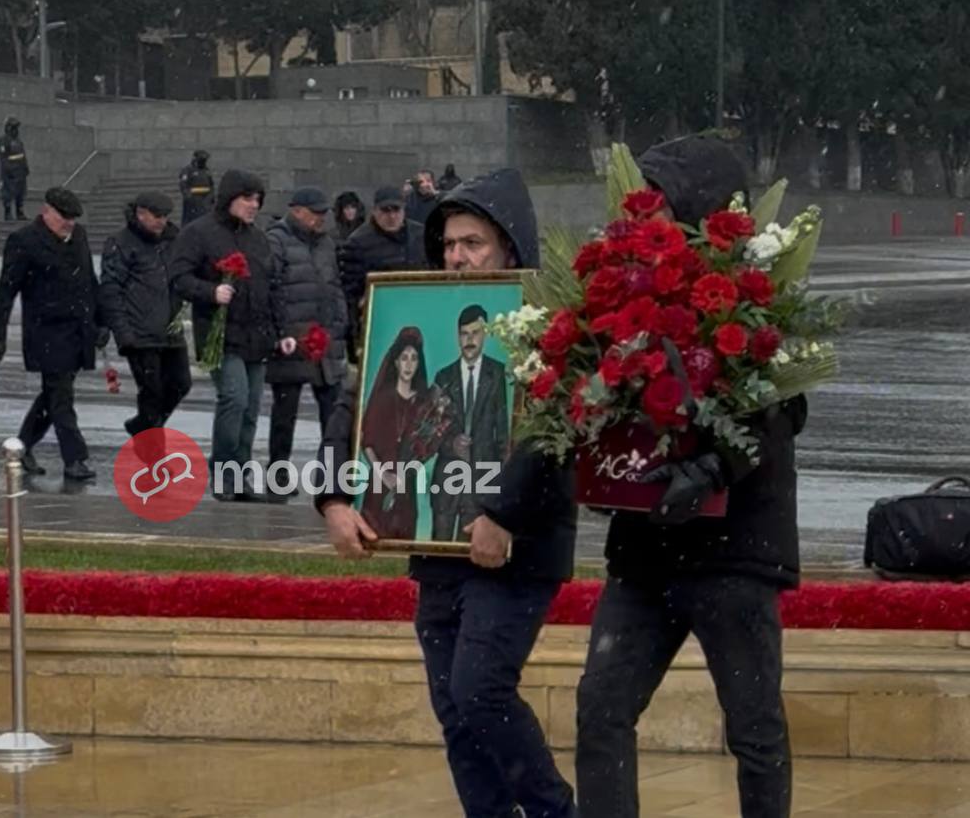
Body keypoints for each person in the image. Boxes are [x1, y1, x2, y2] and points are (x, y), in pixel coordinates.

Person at [319, 168, 579, 818]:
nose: (456, 257)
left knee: (481, 689)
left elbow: (554, 440)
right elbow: (352, 410)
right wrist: (334, 498)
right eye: (449, 245)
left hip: (514, 550)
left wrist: (500, 512)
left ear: (510, 248)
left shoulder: (550, 327)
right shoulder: (412, 319)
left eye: (472, 243)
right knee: (456, 712)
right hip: (436, 543)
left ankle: (555, 812)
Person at [575, 134, 804, 818]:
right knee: (601, 709)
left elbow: (782, 401)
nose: (648, 217)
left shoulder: (756, 287)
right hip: (646, 546)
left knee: (753, 727)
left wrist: (711, 466)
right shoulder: (625, 281)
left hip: (734, 550)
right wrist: (600, 459)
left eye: (662, 201)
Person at [168, 169, 284, 502]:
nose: (254, 205)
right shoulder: (199, 234)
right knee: (234, 397)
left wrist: (279, 331)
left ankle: (240, 474)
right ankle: (223, 473)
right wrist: (210, 291)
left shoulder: (258, 238)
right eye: (248, 198)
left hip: (256, 335)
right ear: (230, 197)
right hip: (221, 336)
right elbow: (178, 277)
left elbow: (270, 286)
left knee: (251, 407)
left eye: (258, 200)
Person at [0, 187, 104, 481]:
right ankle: (74, 459)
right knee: (61, 396)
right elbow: (5, 293)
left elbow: (90, 281)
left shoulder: (79, 236)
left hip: (77, 332)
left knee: (53, 396)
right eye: (64, 217)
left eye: (73, 218)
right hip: (46, 334)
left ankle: (21, 448)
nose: (69, 223)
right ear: (46, 211)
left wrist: (102, 322)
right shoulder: (24, 241)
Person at [265, 187, 348, 502]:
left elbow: (334, 285)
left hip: (325, 340)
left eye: (324, 213)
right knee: (285, 414)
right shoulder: (276, 240)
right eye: (316, 212)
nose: (321, 218)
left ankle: (330, 478)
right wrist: (283, 332)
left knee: (334, 414)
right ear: (297, 211)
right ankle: (278, 476)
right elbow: (271, 289)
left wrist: (339, 324)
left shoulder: (326, 244)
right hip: (293, 340)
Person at [98, 191, 191, 457]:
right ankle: (153, 455)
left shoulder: (173, 240)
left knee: (180, 384)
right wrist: (121, 330)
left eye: (165, 216)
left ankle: (141, 426)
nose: (162, 222)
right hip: (139, 332)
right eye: (156, 216)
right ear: (140, 214)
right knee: (151, 392)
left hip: (170, 331)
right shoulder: (121, 243)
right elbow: (111, 289)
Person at [429, 304, 509, 543]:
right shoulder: (443, 377)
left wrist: (505, 481)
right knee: (439, 549)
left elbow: (503, 431)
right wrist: (452, 443)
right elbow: (432, 429)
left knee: (473, 552)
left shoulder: (498, 374)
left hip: (484, 477)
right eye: (464, 334)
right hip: (448, 477)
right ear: (458, 336)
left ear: (485, 333)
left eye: (475, 333)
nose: (470, 340)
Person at [357, 326, 446, 539]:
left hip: (407, 486)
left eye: (414, 358)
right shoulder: (382, 398)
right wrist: (383, 474)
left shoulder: (423, 404)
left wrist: (408, 469)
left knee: (404, 534)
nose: (408, 364)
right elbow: (367, 442)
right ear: (395, 362)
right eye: (404, 358)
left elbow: (427, 442)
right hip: (379, 482)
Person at [338, 185, 425, 362]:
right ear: (375, 211)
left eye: (396, 210)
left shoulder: (420, 236)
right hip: (380, 325)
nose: (392, 216)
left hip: (419, 318)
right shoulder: (357, 243)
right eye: (386, 211)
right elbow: (350, 297)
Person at [0, 117, 30, 222]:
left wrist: (25, 167)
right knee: (8, 193)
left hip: (20, 171)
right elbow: (3, 157)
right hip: (10, 172)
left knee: (20, 192)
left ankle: (19, 212)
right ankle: (8, 212)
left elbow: (22, 155)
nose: (16, 130)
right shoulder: (3, 140)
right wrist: (8, 169)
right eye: (14, 127)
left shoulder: (19, 141)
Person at [178, 149, 214, 225]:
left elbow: (211, 185)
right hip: (193, 200)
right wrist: (188, 197)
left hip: (205, 200)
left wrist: (210, 198)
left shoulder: (207, 171)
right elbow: (183, 185)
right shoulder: (188, 170)